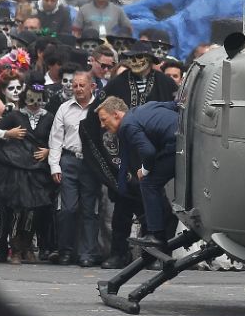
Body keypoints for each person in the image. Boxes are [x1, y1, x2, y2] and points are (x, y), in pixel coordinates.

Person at [96, 97, 179, 249]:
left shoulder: (127, 125)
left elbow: (148, 152)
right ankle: (160, 229)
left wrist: (144, 170)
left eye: (103, 119)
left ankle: (156, 234)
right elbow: (174, 104)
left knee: (148, 183)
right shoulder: (145, 108)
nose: (102, 125)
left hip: (176, 144)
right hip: (184, 137)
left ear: (116, 114)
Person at [0, 77, 55, 265]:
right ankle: (14, 249)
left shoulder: (50, 117)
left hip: (38, 172)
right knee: (16, 210)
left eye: (39, 99)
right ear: (24, 98)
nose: (35, 104)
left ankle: (27, 245)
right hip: (16, 173)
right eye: (31, 99)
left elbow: (59, 138)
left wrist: (50, 151)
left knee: (33, 211)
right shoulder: (14, 116)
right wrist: (7, 133)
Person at [48, 71, 101, 267]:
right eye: (75, 85)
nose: (77, 89)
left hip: (91, 164)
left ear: (92, 87)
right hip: (68, 161)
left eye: (82, 85)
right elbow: (55, 139)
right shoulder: (64, 108)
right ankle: (65, 251)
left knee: (90, 210)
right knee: (67, 209)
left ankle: (86, 253)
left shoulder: (98, 108)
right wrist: (54, 166)